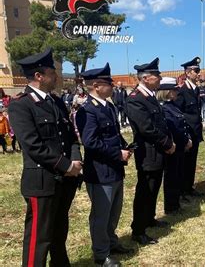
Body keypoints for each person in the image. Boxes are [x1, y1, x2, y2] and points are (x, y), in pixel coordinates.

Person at [9, 48, 83, 267]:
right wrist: (66, 165)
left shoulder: (57, 102)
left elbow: (70, 136)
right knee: (39, 238)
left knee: (59, 231)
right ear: (39, 76)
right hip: (42, 181)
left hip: (64, 179)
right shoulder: (21, 105)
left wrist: (75, 161)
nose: (57, 77)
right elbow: (33, 146)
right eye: (53, 73)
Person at [75, 63, 133, 266]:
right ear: (97, 86)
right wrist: (117, 153)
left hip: (114, 169)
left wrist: (125, 148)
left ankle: (111, 242)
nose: (113, 85)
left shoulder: (108, 106)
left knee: (114, 211)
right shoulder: (87, 110)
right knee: (101, 214)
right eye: (109, 82)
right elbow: (90, 142)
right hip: (100, 172)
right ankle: (101, 254)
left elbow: (113, 135)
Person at [126, 58, 175, 245]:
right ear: (146, 78)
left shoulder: (149, 96)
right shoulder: (135, 99)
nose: (160, 77)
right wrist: (167, 143)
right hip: (148, 153)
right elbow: (147, 128)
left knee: (154, 187)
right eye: (157, 75)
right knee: (145, 190)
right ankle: (138, 230)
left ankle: (149, 218)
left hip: (158, 151)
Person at [157, 77, 193, 213]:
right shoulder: (164, 108)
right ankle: (171, 207)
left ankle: (176, 202)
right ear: (167, 91)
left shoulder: (172, 105)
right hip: (173, 147)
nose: (177, 93)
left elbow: (182, 125)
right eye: (174, 90)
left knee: (177, 175)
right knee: (171, 177)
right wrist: (184, 141)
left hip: (180, 147)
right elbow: (173, 130)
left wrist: (186, 139)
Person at [174, 57, 204, 197]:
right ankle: (181, 190)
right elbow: (178, 114)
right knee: (184, 163)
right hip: (187, 133)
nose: (199, 73)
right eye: (196, 71)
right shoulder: (182, 90)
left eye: (199, 70)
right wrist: (184, 136)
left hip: (195, 131)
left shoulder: (196, 89)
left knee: (192, 161)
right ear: (188, 73)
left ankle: (189, 187)